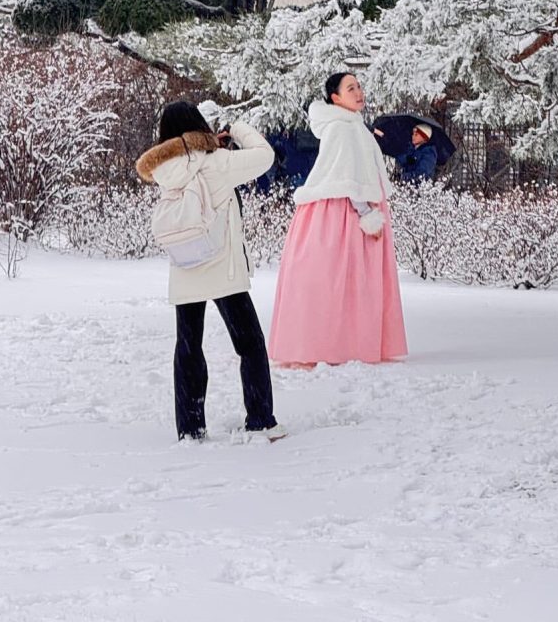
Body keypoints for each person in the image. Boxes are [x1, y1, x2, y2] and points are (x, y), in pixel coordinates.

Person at [136, 100, 285, 443]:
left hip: (186, 265)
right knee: (249, 344)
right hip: (222, 268)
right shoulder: (218, 163)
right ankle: (261, 420)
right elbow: (264, 155)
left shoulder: (166, 169)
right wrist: (235, 130)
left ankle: (190, 429)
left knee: (188, 348)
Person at [268, 72, 408, 367]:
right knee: (340, 279)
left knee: (343, 281)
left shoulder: (353, 126)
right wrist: (366, 213)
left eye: (359, 86)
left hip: (347, 212)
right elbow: (345, 175)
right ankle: (333, 344)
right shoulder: (343, 129)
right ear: (335, 98)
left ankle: (339, 342)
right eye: (351, 88)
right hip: (345, 215)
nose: (359, 92)